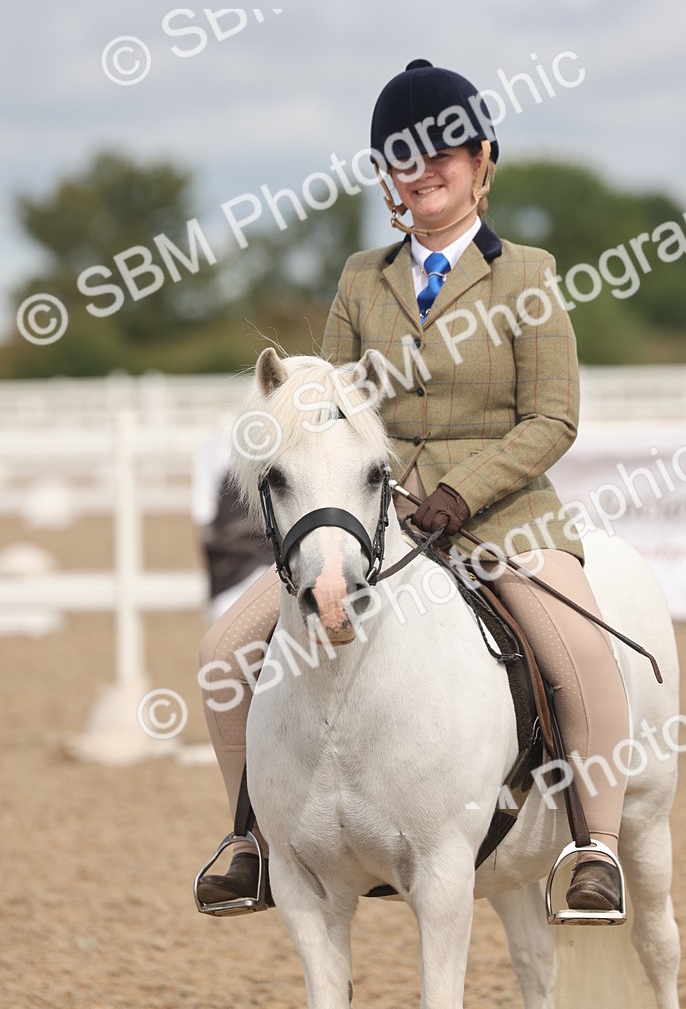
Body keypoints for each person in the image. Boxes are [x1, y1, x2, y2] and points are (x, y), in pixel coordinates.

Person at [196, 59, 630, 916]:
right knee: (224, 651)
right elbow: (325, 407)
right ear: (387, 176)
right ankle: (249, 835)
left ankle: (595, 847)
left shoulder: (528, 275)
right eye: (405, 159)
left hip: (502, 516)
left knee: (581, 654)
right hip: (379, 518)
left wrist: (461, 492)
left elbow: (552, 419)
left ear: (480, 163)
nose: (425, 172)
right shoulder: (364, 279)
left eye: (446, 154)